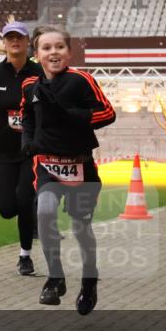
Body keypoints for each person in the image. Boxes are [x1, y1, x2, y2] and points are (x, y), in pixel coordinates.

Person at [21, 26, 116, 314]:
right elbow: (26, 116)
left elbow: (107, 113)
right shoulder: (30, 86)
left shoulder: (81, 80)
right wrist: (28, 141)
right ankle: (55, 278)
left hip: (80, 167)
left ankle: (89, 281)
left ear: (69, 52)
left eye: (59, 47)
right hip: (47, 165)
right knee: (45, 211)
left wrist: (69, 115)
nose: (53, 53)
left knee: (81, 228)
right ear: (36, 55)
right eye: (46, 48)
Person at [0, 20, 44, 275]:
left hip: (30, 150)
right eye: (10, 38)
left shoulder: (39, 73)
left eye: (19, 38)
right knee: (7, 209)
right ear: (4, 43)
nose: (15, 42)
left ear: (28, 43)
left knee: (25, 201)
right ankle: (28, 208)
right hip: (3, 149)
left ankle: (25, 256)